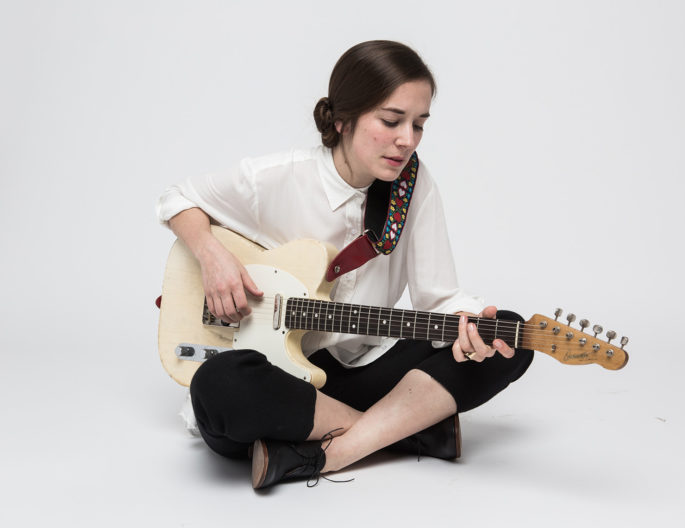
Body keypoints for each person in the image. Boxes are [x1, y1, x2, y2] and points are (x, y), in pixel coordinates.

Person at [156, 40, 533, 489]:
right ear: (343, 119)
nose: (407, 140)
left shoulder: (414, 188)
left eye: (419, 124)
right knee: (220, 386)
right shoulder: (279, 177)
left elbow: (440, 298)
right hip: (279, 377)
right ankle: (403, 432)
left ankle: (334, 452)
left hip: (358, 370)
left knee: (509, 335)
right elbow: (177, 198)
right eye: (392, 121)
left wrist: (468, 324)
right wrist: (213, 257)